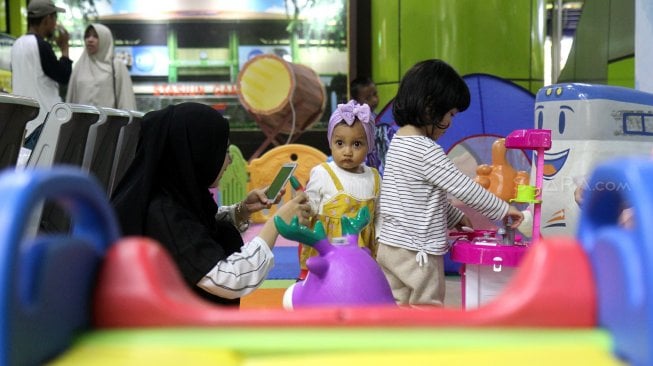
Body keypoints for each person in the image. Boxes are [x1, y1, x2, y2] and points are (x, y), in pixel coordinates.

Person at [110, 102, 312, 306]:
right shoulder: (164, 214)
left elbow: (198, 226)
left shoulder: (172, 195)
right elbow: (229, 279)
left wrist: (244, 209)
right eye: (223, 150)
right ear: (198, 152)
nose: (230, 160)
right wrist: (276, 224)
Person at [376, 59, 524, 307]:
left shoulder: (398, 143)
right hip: (418, 253)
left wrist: (454, 216)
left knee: (398, 306)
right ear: (430, 107)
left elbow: (421, 194)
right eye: (450, 114)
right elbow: (463, 188)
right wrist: (503, 209)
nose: (451, 123)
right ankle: (427, 346)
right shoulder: (426, 150)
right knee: (426, 306)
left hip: (390, 246)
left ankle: (398, 345)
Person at [298, 99, 380, 280]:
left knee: (358, 287)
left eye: (357, 144)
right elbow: (311, 205)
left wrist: (380, 238)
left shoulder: (374, 176)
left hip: (362, 249)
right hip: (327, 250)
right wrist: (304, 209)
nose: (348, 151)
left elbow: (379, 214)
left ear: (369, 145)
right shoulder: (322, 172)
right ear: (330, 142)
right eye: (340, 143)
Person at [11, 0, 71, 138]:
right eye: (55, 18)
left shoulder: (17, 44)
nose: (55, 24)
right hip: (44, 122)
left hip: (24, 122)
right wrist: (65, 48)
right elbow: (64, 75)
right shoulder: (40, 45)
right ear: (48, 18)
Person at [66, 23, 136, 110]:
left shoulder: (116, 66)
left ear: (105, 39)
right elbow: (72, 99)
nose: (90, 40)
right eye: (87, 36)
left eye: (95, 36)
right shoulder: (80, 66)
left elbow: (125, 99)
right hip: (82, 121)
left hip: (109, 122)